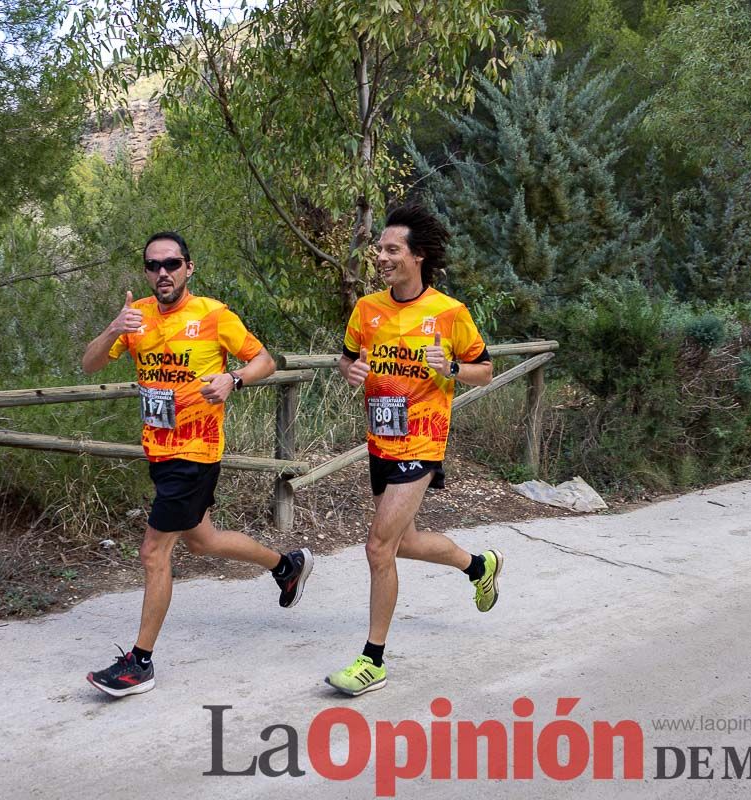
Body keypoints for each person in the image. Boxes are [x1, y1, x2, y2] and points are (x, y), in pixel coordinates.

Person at [81, 231, 312, 698]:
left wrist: (233, 379)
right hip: (159, 451)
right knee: (202, 541)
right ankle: (285, 566)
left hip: (197, 452)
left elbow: (263, 360)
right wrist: (112, 329)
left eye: (171, 263)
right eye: (153, 265)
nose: (162, 272)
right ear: (145, 272)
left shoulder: (213, 315)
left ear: (189, 268)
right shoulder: (137, 317)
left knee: (153, 552)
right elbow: (89, 365)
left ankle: (139, 663)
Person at [327, 206, 501, 696]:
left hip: (423, 441)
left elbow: (483, 370)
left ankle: (372, 660)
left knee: (378, 546)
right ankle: (479, 566)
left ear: (417, 256)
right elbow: (346, 359)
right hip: (380, 439)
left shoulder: (449, 313)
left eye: (391, 249)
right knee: (403, 541)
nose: (380, 257)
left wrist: (450, 368)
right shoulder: (367, 309)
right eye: (379, 249)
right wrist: (351, 372)